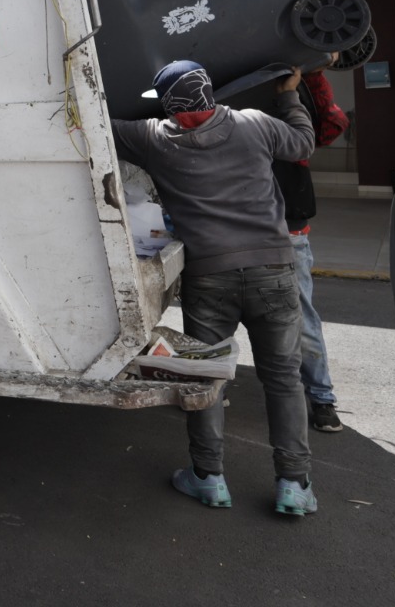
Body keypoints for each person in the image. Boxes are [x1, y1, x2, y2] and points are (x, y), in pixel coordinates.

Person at [111, 60, 319, 516]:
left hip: (209, 277)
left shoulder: (153, 137)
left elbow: (95, 124)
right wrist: (288, 96)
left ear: (170, 107)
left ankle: (208, 478)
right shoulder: (255, 124)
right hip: (273, 270)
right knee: (283, 380)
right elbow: (304, 141)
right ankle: (294, 485)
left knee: (206, 377)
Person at [270, 56, 351, 433]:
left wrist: (314, 74)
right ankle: (321, 400)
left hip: (257, 224)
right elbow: (331, 126)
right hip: (287, 223)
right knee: (300, 317)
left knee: (217, 312)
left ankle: (321, 397)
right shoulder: (293, 89)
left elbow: (328, 128)